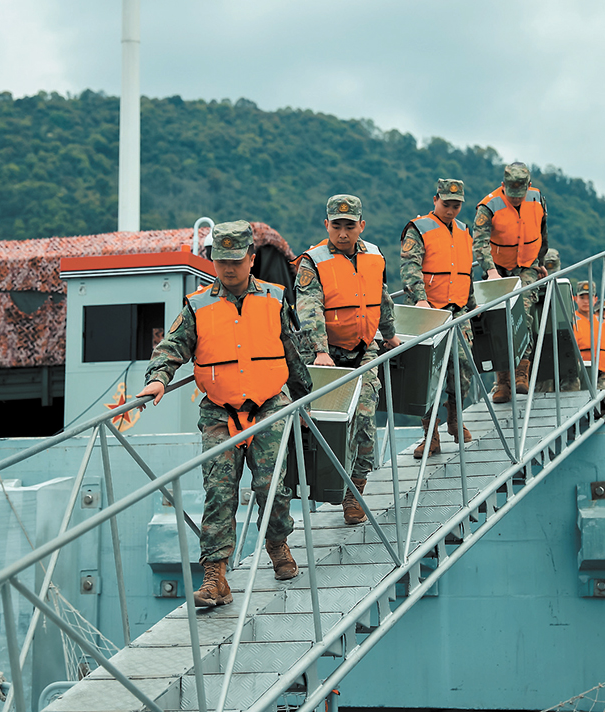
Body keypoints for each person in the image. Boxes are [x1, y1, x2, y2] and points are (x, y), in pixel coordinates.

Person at [136, 221, 311, 608]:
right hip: (219, 410)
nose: (228, 268)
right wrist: (158, 378)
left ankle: (278, 543)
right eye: (221, 261)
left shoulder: (274, 298)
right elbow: (171, 348)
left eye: (235, 261)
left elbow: (292, 352)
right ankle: (216, 575)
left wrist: (305, 399)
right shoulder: (197, 306)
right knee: (218, 492)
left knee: (271, 486)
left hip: (269, 405)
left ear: (251, 259)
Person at [296, 195, 401, 525]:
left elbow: (381, 298)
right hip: (327, 355)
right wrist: (320, 351)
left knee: (366, 422)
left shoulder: (374, 256)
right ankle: (329, 488)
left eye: (349, 226)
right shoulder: (312, 262)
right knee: (328, 427)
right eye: (336, 226)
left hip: (364, 350)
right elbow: (309, 309)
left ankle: (354, 493)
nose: (343, 233)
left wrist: (390, 332)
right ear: (326, 225)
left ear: (361, 226)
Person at [400, 178, 476, 456]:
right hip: (429, 310)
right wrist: (420, 299)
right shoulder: (418, 229)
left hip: (458, 310)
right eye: (447, 204)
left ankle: (455, 418)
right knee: (428, 376)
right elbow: (410, 266)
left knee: (463, 369)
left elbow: (466, 270)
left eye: (456, 205)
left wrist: (472, 306)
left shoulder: (464, 231)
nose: (451, 210)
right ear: (435, 200)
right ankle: (430, 435)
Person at [473, 161, 548, 401]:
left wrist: (541, 261)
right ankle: (502, 381)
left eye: (520, 194)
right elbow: (480, 242)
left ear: (528, 186)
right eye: (511, 194)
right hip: (497, 267)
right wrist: (490, 270)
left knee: (522, 311)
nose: (516, 199)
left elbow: (542, 231)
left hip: (526, 266)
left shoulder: (537, 199)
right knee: (496, 322)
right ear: (503, 185)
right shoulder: (488, 206)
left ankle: (521, 372)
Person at [566, 280, 605, 391]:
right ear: (575, 299)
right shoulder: (571, 321)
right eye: (582, 297)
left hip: (602, 375)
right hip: (580, 374)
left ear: (595, 299)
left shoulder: (603, 324)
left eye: (589, 297)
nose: (586, 301)